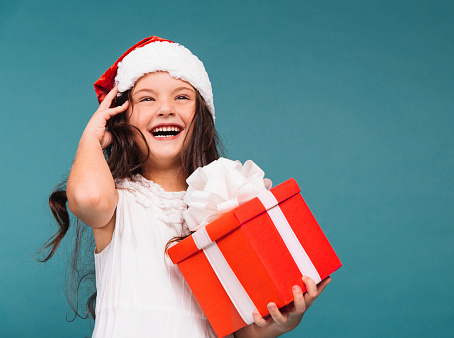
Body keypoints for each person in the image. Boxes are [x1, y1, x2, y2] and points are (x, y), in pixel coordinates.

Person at [40, 36, 331, 337]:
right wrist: (90, 139)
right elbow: (87, 197)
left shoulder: (220, 206)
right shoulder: (117, 200)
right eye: (147, 99)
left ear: (201, 117)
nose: (165, 108)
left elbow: (239, 329)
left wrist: (283, 321)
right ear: (121, 118)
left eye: (181, 97)